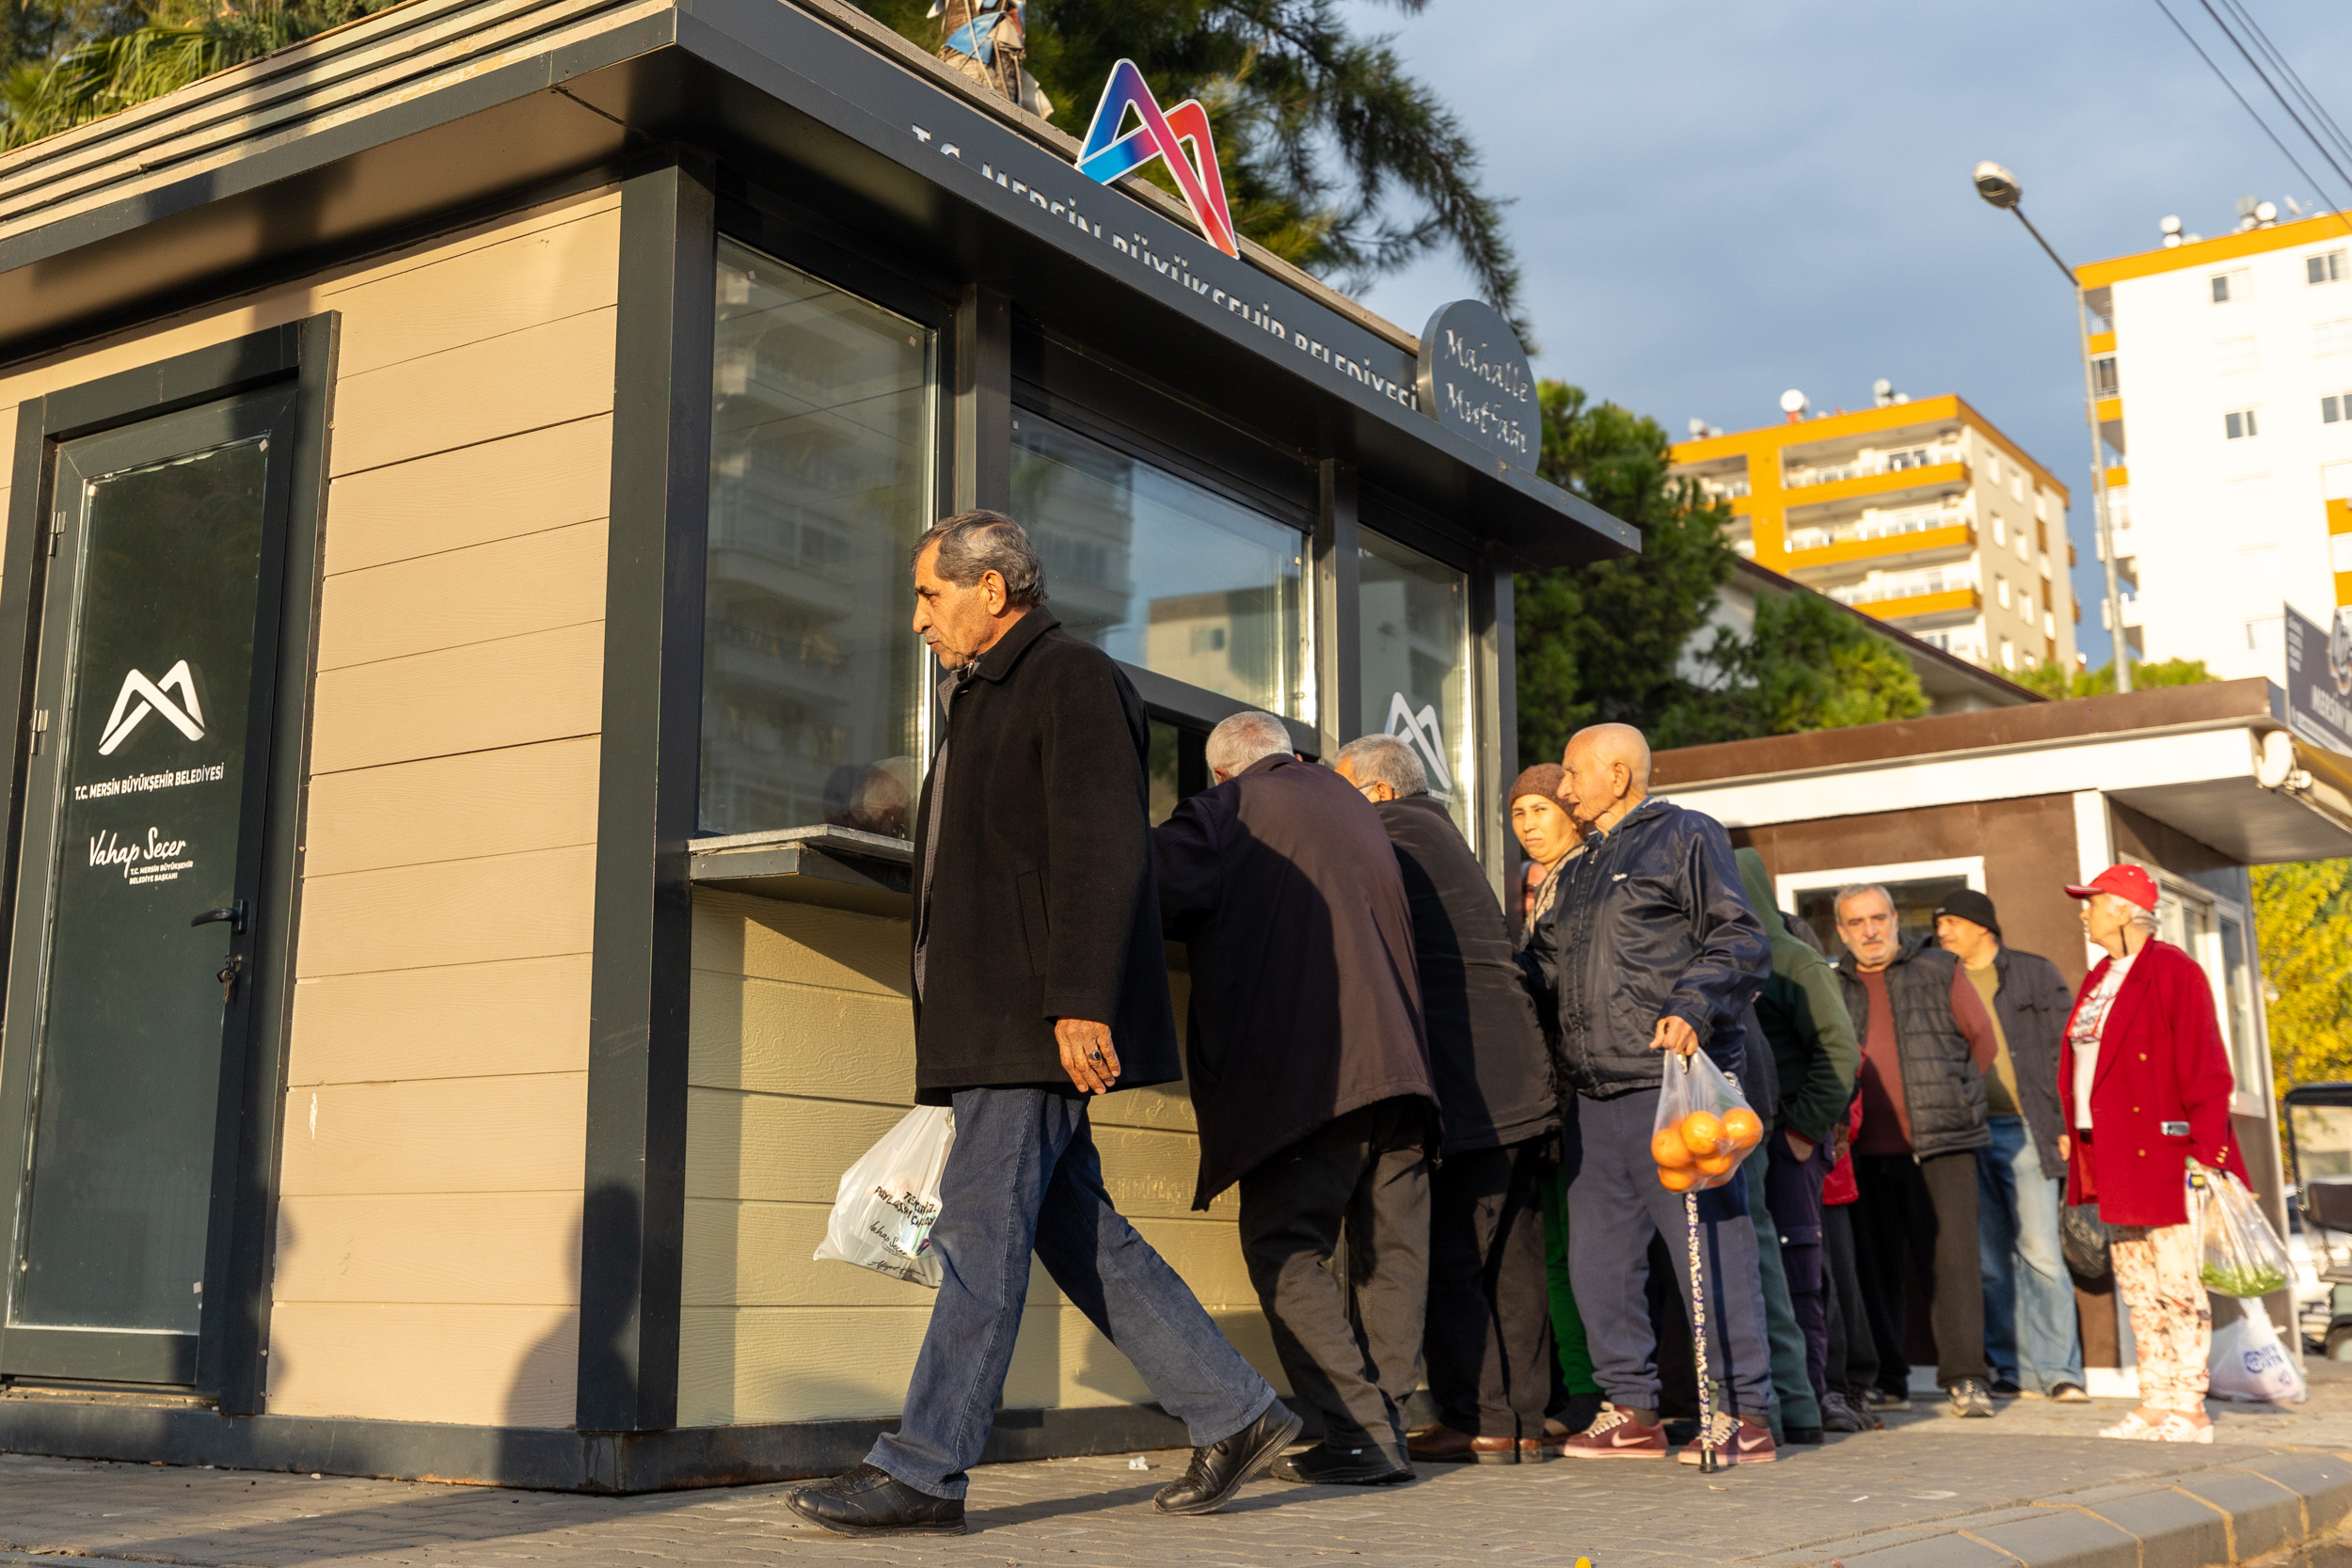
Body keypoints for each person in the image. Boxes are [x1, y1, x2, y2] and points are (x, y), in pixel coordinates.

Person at [789, 514, 1297, 1539]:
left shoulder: (1071, 679)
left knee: (981, 1233)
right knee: (1076, 1228)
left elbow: (1103, 852)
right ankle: (1236, 1410)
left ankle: (925, 1468)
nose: (919, 617)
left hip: (1032, 1016)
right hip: (991, 1013)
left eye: (931, 594)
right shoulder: (978, 694)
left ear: (992, 587)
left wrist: (1079, 999)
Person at [1155, 711, 1436, 1485]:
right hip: (1403, 1066)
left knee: (1286, 1247)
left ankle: (1360, 1436)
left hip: (1313, 1071)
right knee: (1391, 1257)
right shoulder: (1359, 805)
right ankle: (1386, 1428)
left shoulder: (1228, 810)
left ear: (1222, 771)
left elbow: (1144, 883)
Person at [1524, 723, 1778, 1466]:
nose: (1562, 788)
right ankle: (1630, 1409)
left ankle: (1744, 1412)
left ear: (1618, 775)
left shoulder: (1684, 835)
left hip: (1673, 1092)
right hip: (1592, 1099)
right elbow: (1538, 973)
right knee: (1598, 1265)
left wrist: (1694, 1006)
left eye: (1572, 774)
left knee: (1711, 1251)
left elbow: (1739, 938)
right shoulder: (1576, 871)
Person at [1333, 736, 1560, 1465]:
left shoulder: (1392, 834)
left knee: (1460, 1255)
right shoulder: (1441, 834)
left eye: (1343, 794)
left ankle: (1479, 1417)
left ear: (1377, 794)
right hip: (1518, 1080)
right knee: (1514, 1259)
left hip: (1474, 1089)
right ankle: (1522, 1416)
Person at [2058, 864, 2249, 1443]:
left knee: (2177, 1283)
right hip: (2108, 1151)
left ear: (2122, 908)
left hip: (2165, 1153)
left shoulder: (2174, 971)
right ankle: (2155, 1395)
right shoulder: (2099, 978)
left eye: (2091, 902)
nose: (2083, 911)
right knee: (2138, 1286)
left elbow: (2207, 1069)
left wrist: (2209, 1154)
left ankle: (2189, 1406)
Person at [1831, 884, 2000, 1419]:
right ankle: (1888, 1379)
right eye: (1856, 923)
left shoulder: (1938, 969)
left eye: (1878, 918)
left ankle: (1966, 1379)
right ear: (1841, 931)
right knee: (1875, 1269)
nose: (1870, 930)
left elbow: (1983, 1043)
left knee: (1953, 1266)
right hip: (1863, 1151)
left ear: (1896, 920)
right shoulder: (1833, 984)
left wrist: (1955, 1097)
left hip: (1942, 1143)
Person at [1931, 888, 2089, 1403]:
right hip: (1969, 1133)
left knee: (2041, 1252)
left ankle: (2060, 1371)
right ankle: (2010, 1368)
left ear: (1983, 926)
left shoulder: (2032, 973)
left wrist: (2065, 1124)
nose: (1943, 931)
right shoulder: (1939, 978)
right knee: (1990, 1260)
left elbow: (2065, 1051)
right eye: (1939, 924)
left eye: (1952, 921)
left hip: (2027, 1129)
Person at [1736, 849, 1861, 1441]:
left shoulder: (1792, 960)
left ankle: (1811, 1396)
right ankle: (1779, 1401)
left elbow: (1839, 1052)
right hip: (1741, 1139)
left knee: (1798, 1271)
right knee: (1762, 1272)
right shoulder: (1727, 958)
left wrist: (1804, 1131)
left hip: (1787, 1139)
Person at [1506, 764, 1602, 1442]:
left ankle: (1604, 1392)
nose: (1530, 822)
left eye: (1542, 808)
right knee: (1559, 1255)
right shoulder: (1545, 890)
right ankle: (1584, 1389)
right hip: (1550, 1097)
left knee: (1591, 1254)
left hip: (1590, 1093)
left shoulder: (1587, 878)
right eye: (1519, 813)